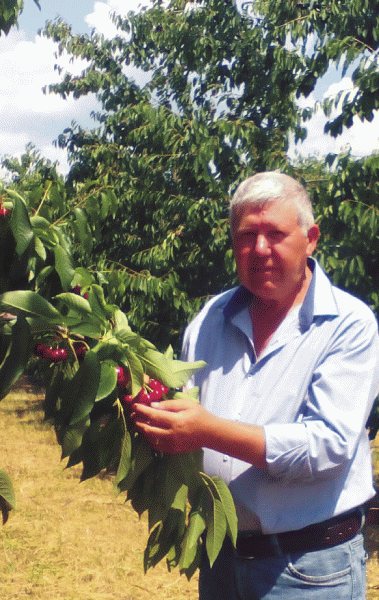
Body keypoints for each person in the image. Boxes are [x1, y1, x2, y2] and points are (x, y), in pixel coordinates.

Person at [130, 171, 379, 599]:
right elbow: (180, 402)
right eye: (247, 235)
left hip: (308, 570)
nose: (260, 249)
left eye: (275, 233)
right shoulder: (211, 317)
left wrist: (208, 431)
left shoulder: (348, 324)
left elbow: (328, 445)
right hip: (222, 558)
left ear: (311, 238)